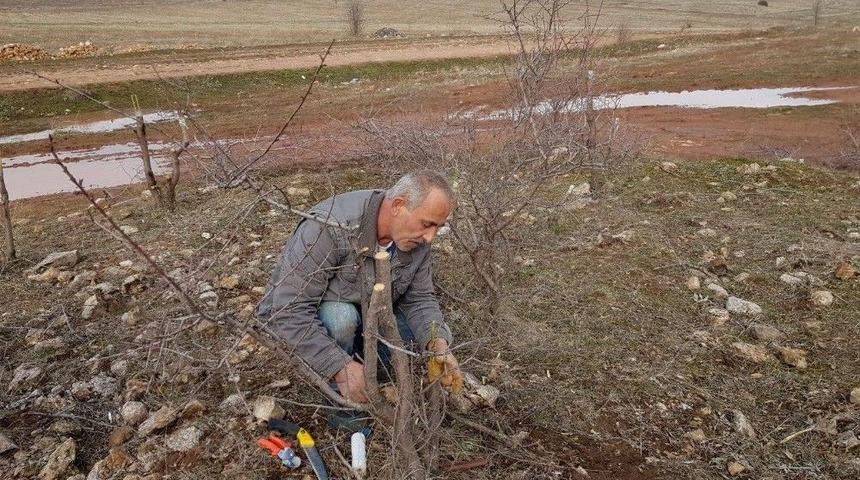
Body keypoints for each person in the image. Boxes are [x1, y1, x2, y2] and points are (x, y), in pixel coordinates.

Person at [257, 170, 463, 419]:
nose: (430, 237)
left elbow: (419, 298)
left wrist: (437, 343)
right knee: (339, 319)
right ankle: (341, 407)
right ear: (398, 206)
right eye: (427, 224)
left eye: (438, 227)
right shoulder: (329, 227)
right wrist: (338, 366)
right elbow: (285, 309)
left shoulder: (414, 239)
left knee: (417, 339)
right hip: (324, 320)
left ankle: (366, 370)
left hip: (372, 315)